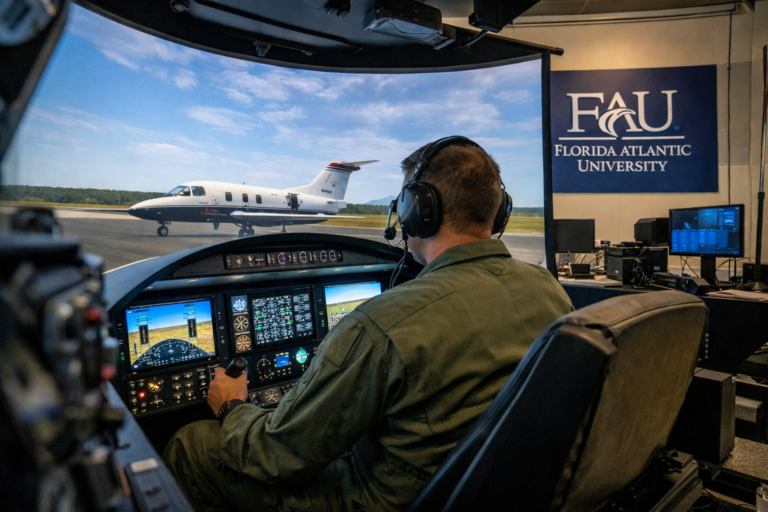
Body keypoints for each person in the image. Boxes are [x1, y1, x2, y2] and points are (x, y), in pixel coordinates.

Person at [163, 137, 574, 512]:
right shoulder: (548, 290)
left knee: (194, 444)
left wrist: (233, 405)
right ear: (499, 210)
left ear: (417, 212)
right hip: (484, 489)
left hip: (384, 499)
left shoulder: (382, 324)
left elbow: (274, 456)